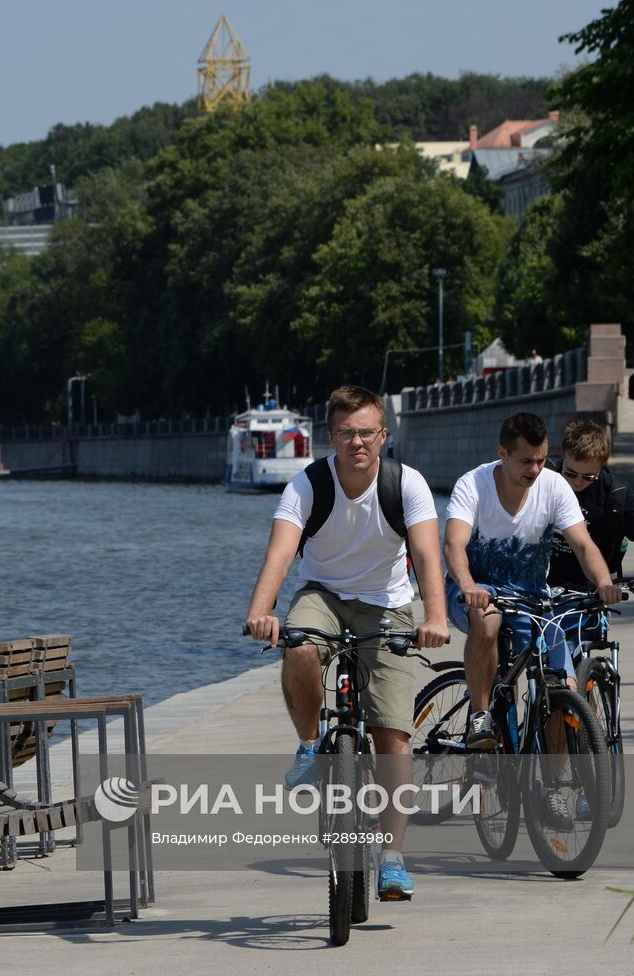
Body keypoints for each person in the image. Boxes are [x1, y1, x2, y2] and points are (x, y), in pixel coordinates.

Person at [245, 385, 450, 902]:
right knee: (299, 647)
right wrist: (260, 612)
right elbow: (281, 552)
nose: (357, 442)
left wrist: (437, 616)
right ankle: (312, 743)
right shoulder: (308, 484)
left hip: (388, 603)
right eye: (345, 432)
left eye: (366, 432)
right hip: (325, 595)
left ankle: (394, 858)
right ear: (330, 435)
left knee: (391, 735)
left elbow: (427, 554)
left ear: (383, 434)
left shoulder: (407, 484)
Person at [442, 412, 620, 755]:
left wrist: (602, 583)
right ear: (503, 453)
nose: (535, 470)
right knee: (488, 618)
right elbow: (453, 544)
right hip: (476, 591)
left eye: (541, 460)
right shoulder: (473, 484)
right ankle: (479, 715)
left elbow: (582, 544)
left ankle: (552, 786)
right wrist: (467, 585)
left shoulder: (553, 485)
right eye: (526, 461)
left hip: (532, 598)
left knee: (561, 686)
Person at [548, 420, 634, 592]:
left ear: (601, 467)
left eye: (588, 477)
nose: (578, 481)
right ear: (563, 456)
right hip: (534, 587)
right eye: (570, 473)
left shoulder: (616, 495)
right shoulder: (545, 475)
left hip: (590, 593)